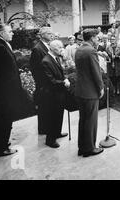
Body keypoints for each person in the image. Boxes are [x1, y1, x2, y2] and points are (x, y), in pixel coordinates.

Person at [0, 24, 23, 157]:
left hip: (1, 93)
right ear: (1, 33)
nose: (12, 33)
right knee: (3, 120)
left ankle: (1, 145)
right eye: (10, 31)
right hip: (3, 94)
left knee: (2, 120)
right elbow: (3, 75)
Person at [74, 29, 104, 157]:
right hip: (90, 91)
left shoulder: (79, 49)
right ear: (92, 38)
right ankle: (90, 148)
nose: (98, 40)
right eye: (97, 37)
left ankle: (82, 147)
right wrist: (100, 87)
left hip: (81, 90)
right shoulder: (91, 50)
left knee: (83, 120)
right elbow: (96, 72)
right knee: (91, 121)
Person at [41, 40, 70, 148]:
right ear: (53, 49)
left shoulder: (56, 58)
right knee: (53, 116)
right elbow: (50, 81)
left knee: (59, 114)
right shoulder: (46, 61)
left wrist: (64, 78)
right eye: (60, 48)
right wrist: (64, 82)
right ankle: (50, 139)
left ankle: (57, 132)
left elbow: (60, 73)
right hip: (52, 94)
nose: (62, 50)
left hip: (59, 92)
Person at [30, 26, 54, 135]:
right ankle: (44, 130)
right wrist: (41, 84)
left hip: (50, 83)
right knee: (44, 108)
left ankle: (51, 129)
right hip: (44, 84)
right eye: (49, 33)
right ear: (42, 35)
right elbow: (35, 68)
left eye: (51, 33)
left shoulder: (48, 46)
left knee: (50, 108)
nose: (51, 35)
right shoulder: (37, 49)